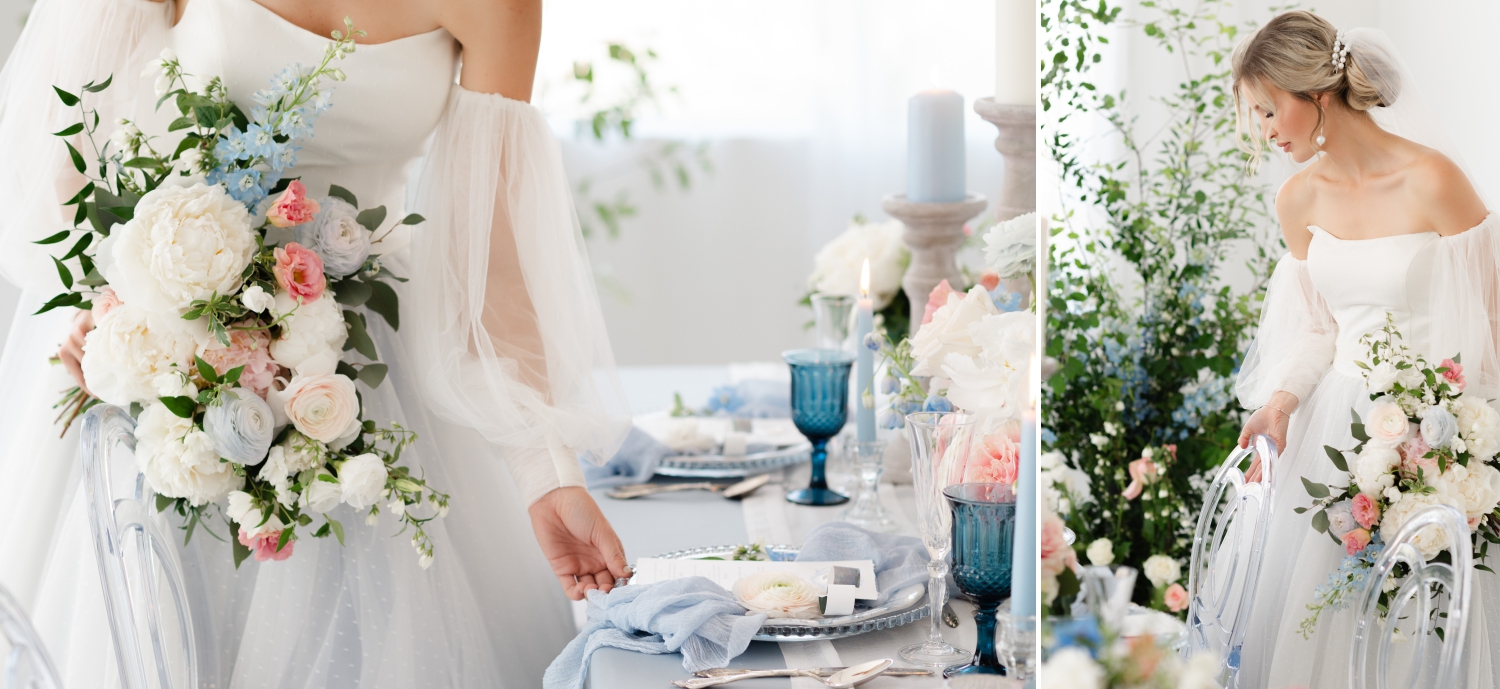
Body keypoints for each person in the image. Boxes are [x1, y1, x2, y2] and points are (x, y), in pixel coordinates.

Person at [0, 0, 635, 685]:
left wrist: (547, 476)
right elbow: (67, 156)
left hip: (371, 371)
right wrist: (108, 303)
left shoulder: (499, 9)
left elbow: (493, 271)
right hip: (170, 351)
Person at [1232, 11, 1500, 686]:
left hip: (1441, 428)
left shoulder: (1433, 179)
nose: (1265, 132)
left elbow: (1494, 321)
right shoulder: (1297, 200)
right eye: (1256, 117)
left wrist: (1471, 440)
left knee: (1426, 621)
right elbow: (1320, 328)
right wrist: (1284, 399)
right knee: (1327, 622)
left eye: (1269, 111)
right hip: (1338, 429)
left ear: (1315, 95)